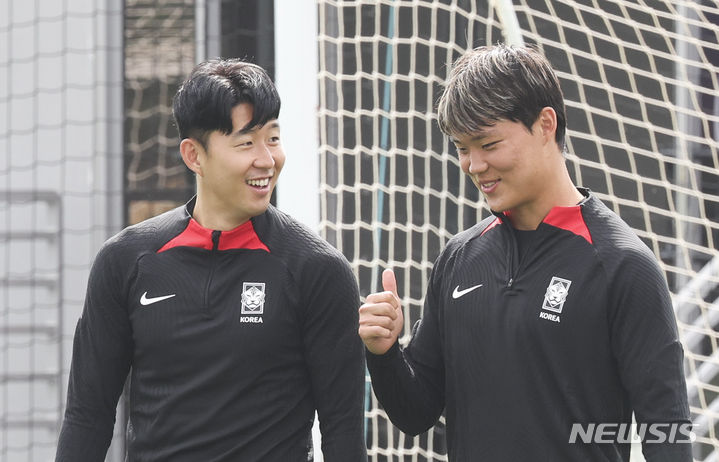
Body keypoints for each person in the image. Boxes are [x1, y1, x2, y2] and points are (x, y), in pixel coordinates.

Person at [358, 45, 692, 461]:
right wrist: (384, 352)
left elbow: (668, 433)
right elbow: (416, 413)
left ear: (545, 124)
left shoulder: (623, 266)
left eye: (488, 143)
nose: (474, 165)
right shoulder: (460, 258)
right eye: (462, 148)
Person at [56, 59, 367, 461]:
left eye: (273, 138)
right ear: (193, 155)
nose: (267, 159)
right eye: (246, 143)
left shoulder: (318, 270)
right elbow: (88, 417)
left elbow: (343, 432)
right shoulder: (125, 261)